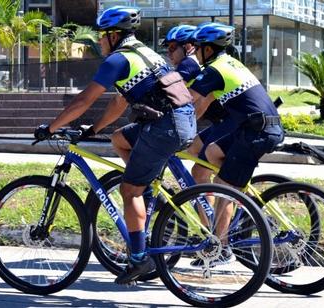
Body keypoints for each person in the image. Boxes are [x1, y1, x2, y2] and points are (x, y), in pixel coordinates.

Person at [33, 6, 196, 284]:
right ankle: (143, 196)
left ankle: (138, 259)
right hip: (180, 120)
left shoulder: (118, 60)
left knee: (128, 189)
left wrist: (51, 128)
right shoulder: (145, 53)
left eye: (102, 36)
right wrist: (94, 128)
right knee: (120, 137)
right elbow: (119, 102)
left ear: (114, 35)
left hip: (164, 126)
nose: (99, 41)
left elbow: (83, 101)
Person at [188, 22, 285, 265]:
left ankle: (221, 248)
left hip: (257, 131)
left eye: (197, 48)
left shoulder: (213, 70)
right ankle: (234, 196)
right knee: (212, 152)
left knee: (222, 186)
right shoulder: (230, 64)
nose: (193, 52)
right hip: (258, 127)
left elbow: (189, 102)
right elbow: (200, 105)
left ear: (208, 50)